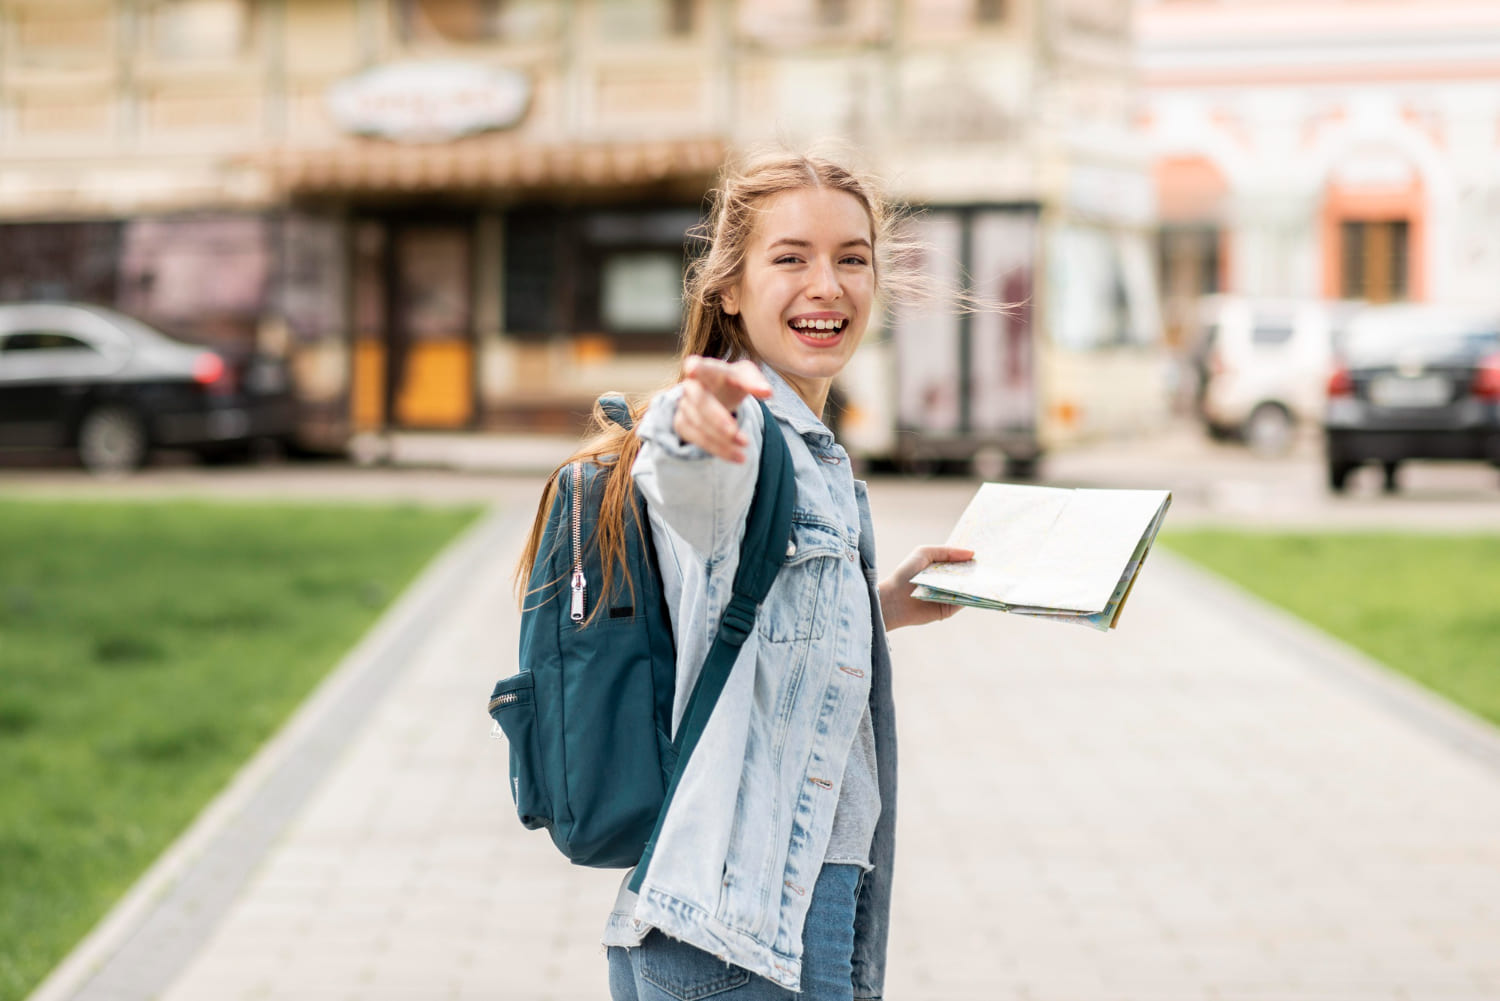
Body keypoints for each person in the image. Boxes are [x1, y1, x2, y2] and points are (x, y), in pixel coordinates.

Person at [518, 149, 974, 1000]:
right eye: (791, 257)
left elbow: (744, 612)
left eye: (852, 257)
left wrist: (882, 608)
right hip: (741, 949)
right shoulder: (747, 434)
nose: (828, 284)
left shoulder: (809, 449)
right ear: (728, 286)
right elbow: (691, 486)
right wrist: (694, 427)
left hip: (754, 921)